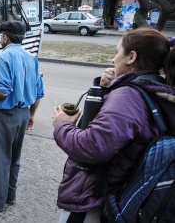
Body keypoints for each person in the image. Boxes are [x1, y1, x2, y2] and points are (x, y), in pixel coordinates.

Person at [53, 28, 175, 222]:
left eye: (117, 52)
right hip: (125, 198)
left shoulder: (129, 96)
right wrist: (105, 88)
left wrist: (62, 126)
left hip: (96, 204)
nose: (113, 59)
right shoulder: (157, 89)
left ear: (131, 57)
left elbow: (92, 147)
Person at [0, 20, 44, 212]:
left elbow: (3, 91)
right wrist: (31, 115)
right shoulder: (32, 58)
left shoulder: (4, 57)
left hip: (6, 115)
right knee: (15, 157)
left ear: (5, 37)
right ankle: (10, 195)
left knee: (0, 158)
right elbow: (38, 94)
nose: (0, 39)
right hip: (23, 114)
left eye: (0, 36)